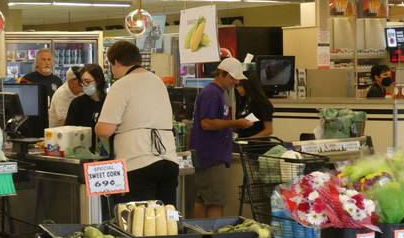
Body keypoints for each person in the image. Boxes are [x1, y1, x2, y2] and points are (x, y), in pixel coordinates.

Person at [95, 41, 178, 205]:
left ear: (116, 62)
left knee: (138, 223)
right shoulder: (158, 81)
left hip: (137, 163)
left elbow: (105, 129)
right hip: (169, 160)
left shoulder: (121, 85)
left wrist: (97, 127)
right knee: (165, 221)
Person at [190, 58, 253, 219]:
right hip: (210, 155)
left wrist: (232, 125)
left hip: (211, 153)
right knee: (215, 200)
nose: (235, 82)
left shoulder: (219, 93)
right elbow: (207, 123)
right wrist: (235, 122)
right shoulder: (212, 93)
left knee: (204, 197)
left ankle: (200, 232)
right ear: (222, 74)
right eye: (232, 78)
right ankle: (214, 236)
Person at [66, 64, 107, 152]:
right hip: (83, 152)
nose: (84, 85)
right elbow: (69, 130)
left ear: (98, 81)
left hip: (106, 153)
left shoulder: (109, 102)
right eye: (82, 82)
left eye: (87, 82)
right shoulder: (77, 103)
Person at [236, 71, 274, 139]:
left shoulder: (262, 103)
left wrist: (249, 140)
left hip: (256, 144)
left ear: (248, 85)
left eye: (240, 85)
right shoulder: (243, 101)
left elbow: (269, 130)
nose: (237, 88)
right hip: (241, 142)